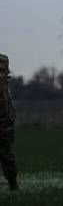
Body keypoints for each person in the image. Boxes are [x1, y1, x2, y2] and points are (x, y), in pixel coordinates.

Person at [0, 53, 17, 191]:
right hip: (4, 123)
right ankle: (13, 184)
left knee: (7, 155)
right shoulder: (3, 82)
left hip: (5, 124)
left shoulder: (5, 82)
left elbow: (7, 103)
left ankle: (13, 183)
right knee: (7, 156)